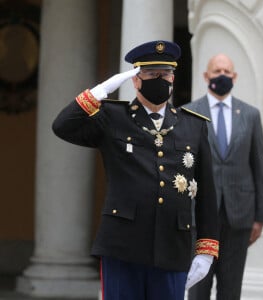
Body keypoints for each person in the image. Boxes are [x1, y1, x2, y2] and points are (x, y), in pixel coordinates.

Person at [52, 40, 219, 300]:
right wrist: (101, 91)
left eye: (165, 75)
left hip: (173, 247)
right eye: (152, 75)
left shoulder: (193, 126)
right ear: (136, 80)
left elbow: (207, 192)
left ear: (173, 78)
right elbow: (63, 126)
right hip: (122, 246)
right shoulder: (113, 118)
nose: (160, 81)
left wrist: (206, 249)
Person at [185, 54, 263, 300]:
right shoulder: (189, 113)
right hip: (199, 217)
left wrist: (260, 217)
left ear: (234, 77)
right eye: (216, 70)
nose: (222, 75)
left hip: (239, 216)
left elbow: (258, 167)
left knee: (231, 289)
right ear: (206, 76)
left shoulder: (250, 115)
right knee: (198, 288)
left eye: (227, 71)